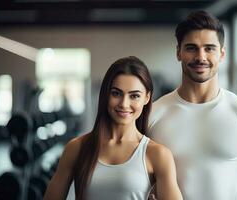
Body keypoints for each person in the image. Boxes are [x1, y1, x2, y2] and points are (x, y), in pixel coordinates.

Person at [148, 10, 237, 200]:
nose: (201, 57)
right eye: (191, 48)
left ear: (222, 54)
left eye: (209, 48)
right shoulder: (152, 114)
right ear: (178, 52)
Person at [43, 56, 182, 200]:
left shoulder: (157, 154)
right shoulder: (77, 148)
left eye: (134, 96)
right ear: (105, 95)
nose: (124, 104)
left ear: (147, 98)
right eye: (116, 93)